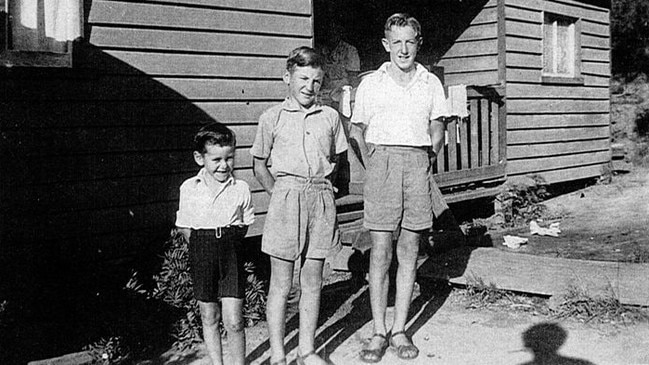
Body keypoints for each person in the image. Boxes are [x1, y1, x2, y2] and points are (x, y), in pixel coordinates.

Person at [349, 13, 451, 362]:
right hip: (382, 164)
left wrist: (427, 160)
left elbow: (438, 129)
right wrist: (373, 162)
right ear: (386, 45)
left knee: (410, 249)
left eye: (410, 42)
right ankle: (378, 330)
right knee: (380, 251)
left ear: (418, 43)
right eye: (397, 43)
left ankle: (399, 329)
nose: (403, 49)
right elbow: (356, 131)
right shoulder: (371, 84)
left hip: (417, 163)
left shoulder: (430, 82)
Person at [251, 47, 348, 365]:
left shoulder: (330, 117)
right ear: (287, 78)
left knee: (312, 280)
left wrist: (330, 191)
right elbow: (259, 163)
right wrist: (278, 193)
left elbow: (339, 159)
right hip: (286, 199)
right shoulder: (272, 117)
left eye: (317, 81)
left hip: (319, 198)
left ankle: (307, 349)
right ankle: (278, 353)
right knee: (281, 283)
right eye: (303, 78)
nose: (310, 86)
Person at [175, 123, 255, 365]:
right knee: (209, 315)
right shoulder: (190, 188)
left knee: (234, 320)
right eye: (216, 159)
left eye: (229, 158)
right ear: (200, 158)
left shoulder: (240, 188)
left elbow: (245, 223)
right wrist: (205, 245)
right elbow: (185, 227)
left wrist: (226, 243)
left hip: (231, 251)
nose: (224, 165)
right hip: (202, 249)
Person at [318, 23, 361, 106]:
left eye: (334, 32)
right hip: (323, 95)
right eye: (328, 33)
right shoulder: (321, 51)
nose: (331, 35)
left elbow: (354, 79)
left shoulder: (350, 50)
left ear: (340, 34)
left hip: (342, 95)